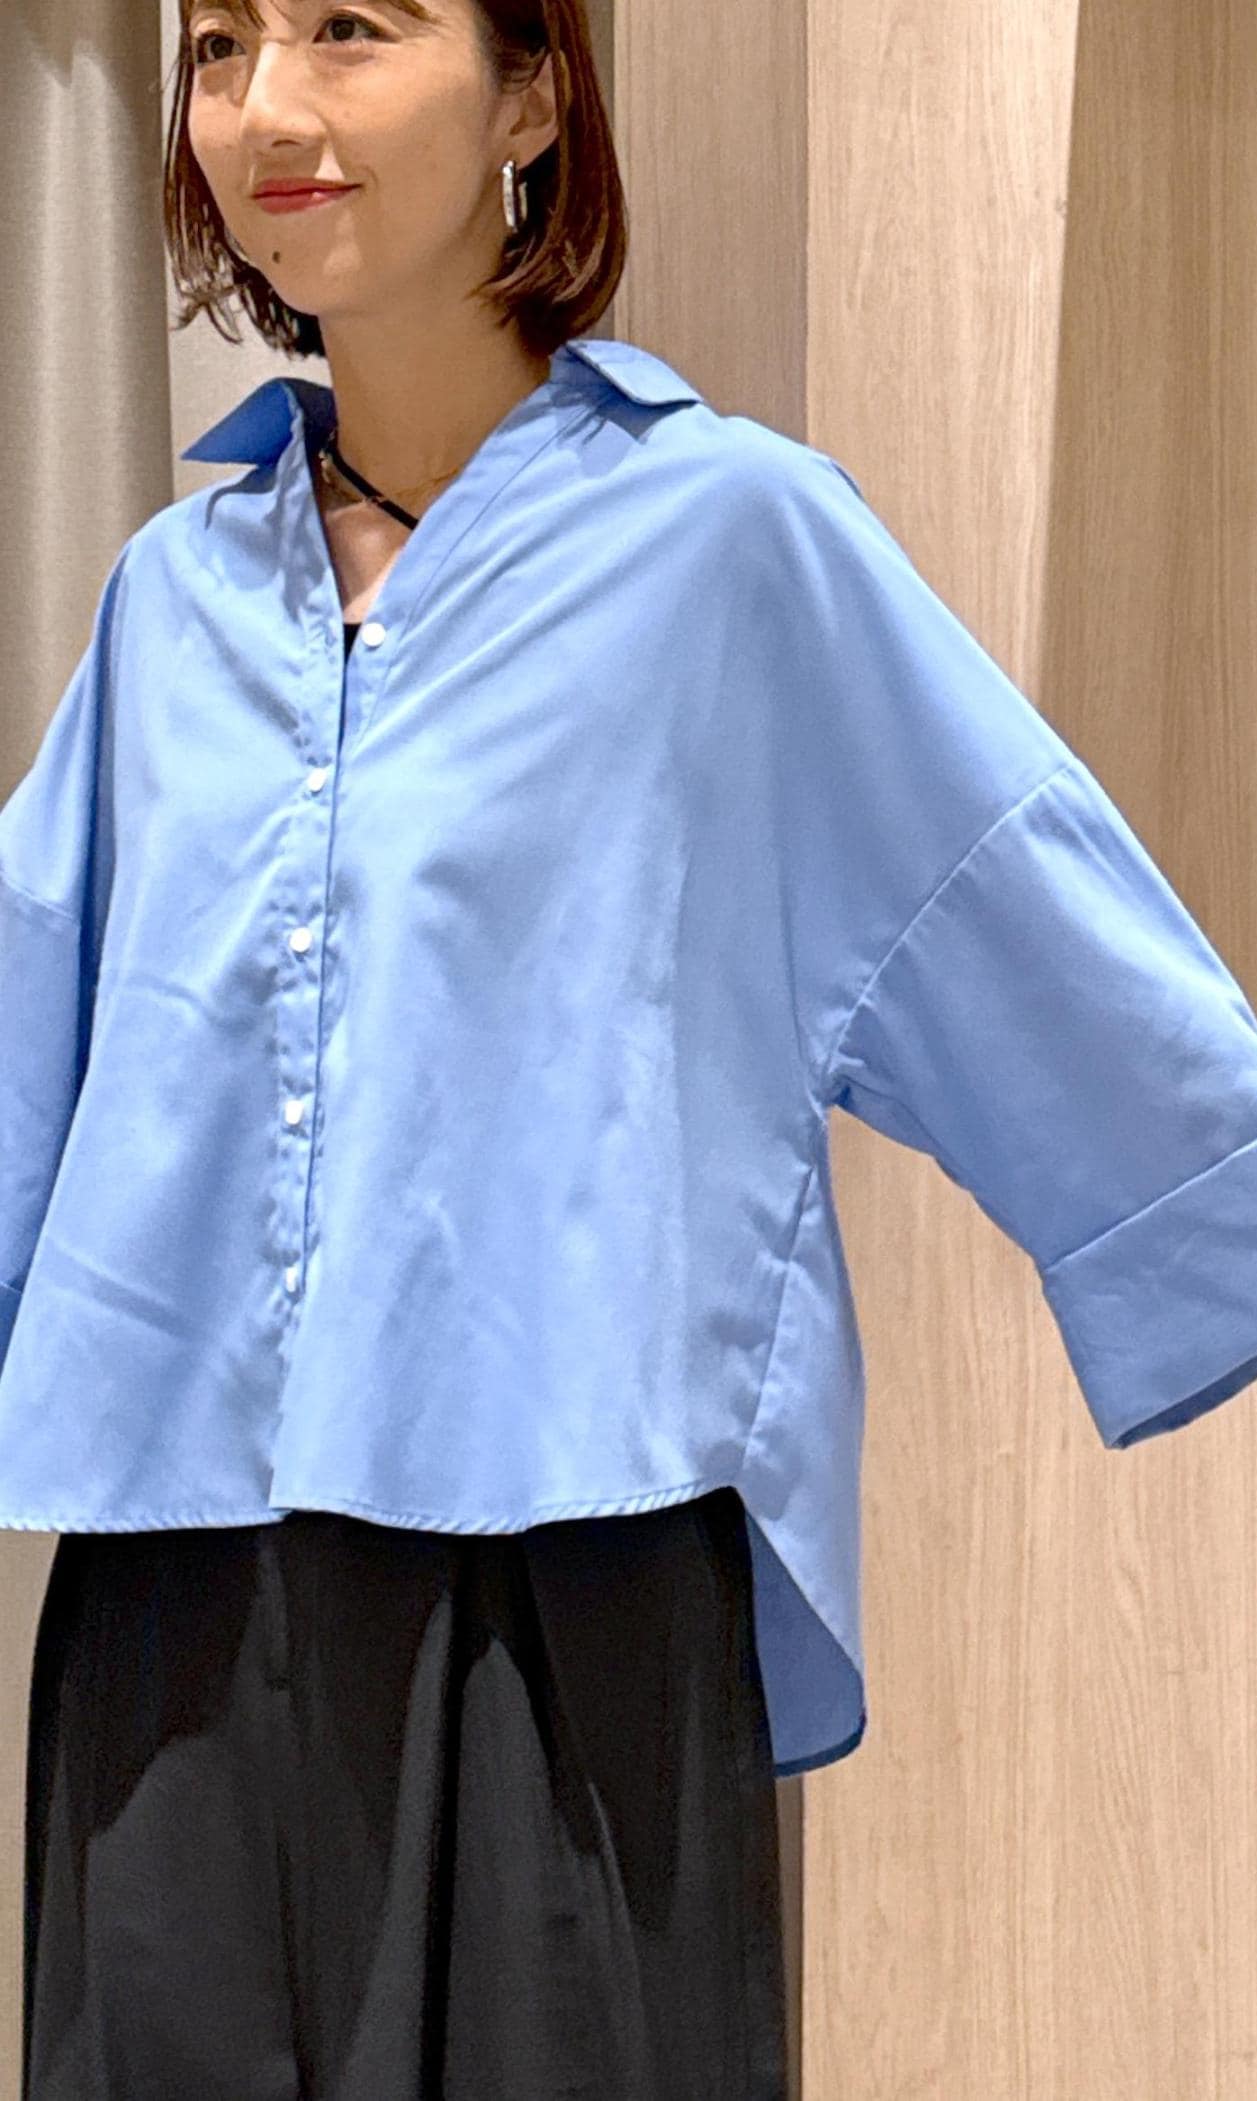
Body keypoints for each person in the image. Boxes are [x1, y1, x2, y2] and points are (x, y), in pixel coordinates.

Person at [15, 2, 791, 2095]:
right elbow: (20, 1046)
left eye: (351, 26)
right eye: (222, 43)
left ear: (534, 85)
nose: (267, 106)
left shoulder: (724, 540)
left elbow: (1032, 928)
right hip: (181, 1608)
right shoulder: (172, 601)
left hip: (571, 1574)